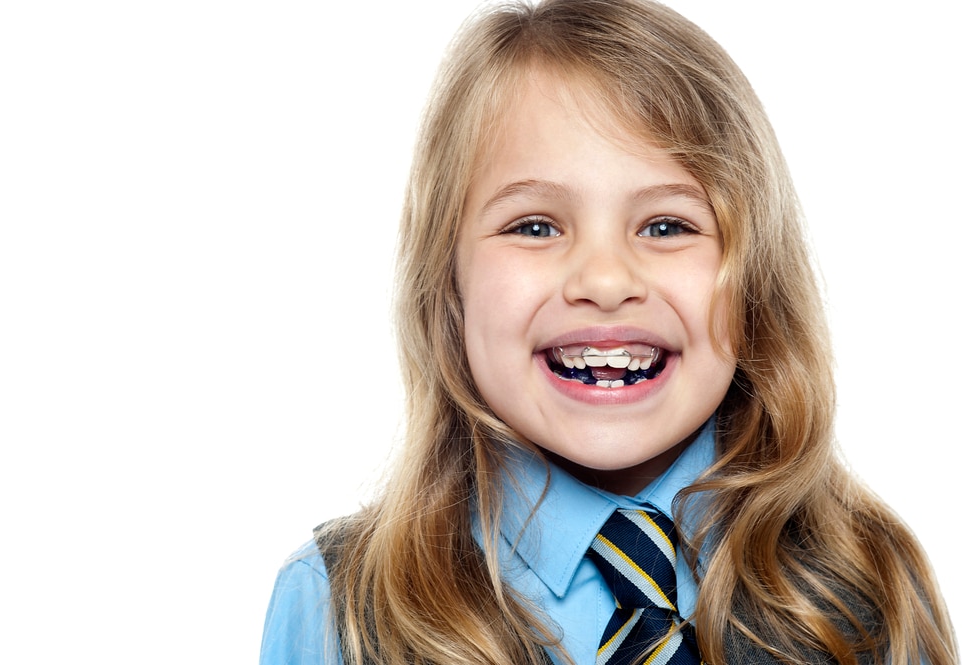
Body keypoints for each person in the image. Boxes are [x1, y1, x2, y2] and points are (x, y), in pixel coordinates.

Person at [259, 0, 958, 663]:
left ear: (754, 284)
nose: (603, 278)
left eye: (666, 226)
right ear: (449, 285)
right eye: (534, 226)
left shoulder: (870, 584)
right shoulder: (335, 606)